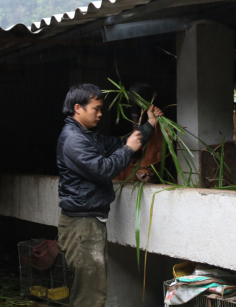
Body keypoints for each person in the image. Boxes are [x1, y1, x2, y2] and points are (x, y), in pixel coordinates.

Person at [56, 83, 163, 307]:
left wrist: (149, 125)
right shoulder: (74, 140)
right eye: (95, 108)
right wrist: (128, 150)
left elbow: (121, 143)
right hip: (81, 225)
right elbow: (103, 169)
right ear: (78, 108)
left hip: (88, 222)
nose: (100, 114)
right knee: (91, 296)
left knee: (87, 290)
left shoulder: (88, 136)